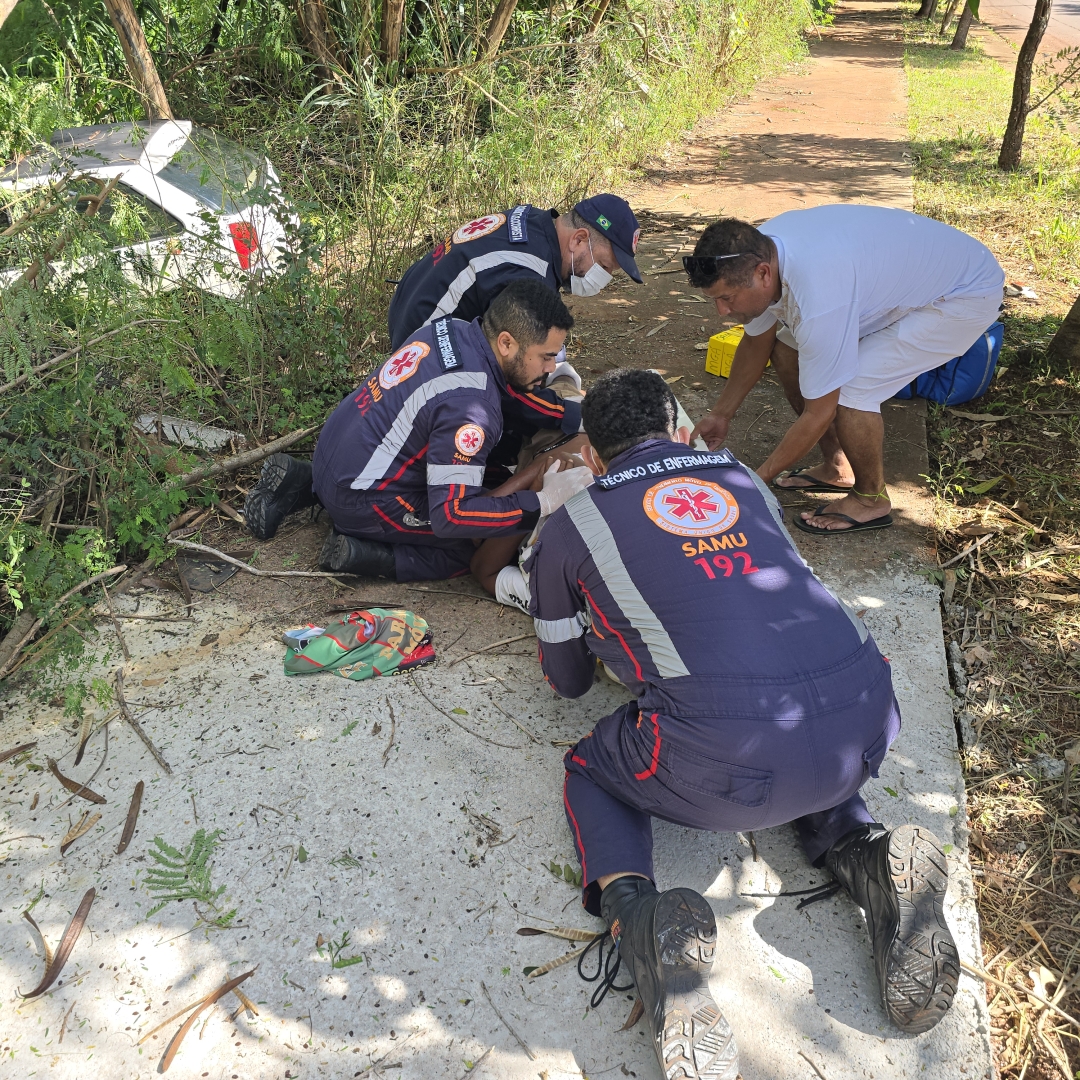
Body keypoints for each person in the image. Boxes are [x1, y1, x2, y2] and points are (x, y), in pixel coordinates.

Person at [528, 369, 959, 1080]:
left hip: (723, 758)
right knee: (788, 715)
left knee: (594, 767)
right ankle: (867, 852)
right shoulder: (742, 480)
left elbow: (567, 682)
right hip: (867, 716)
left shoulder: (573, 524)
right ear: (675, 428)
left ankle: (637, 917)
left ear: (594, 459)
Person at [685, 205, 1004, 535]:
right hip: (900, 276)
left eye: (727, 298)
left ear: (764, 274)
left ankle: (870, 499)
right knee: (785, 349)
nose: (722, 311)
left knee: (853, 389)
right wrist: (721, 414)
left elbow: (818, 412)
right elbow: (757, 343)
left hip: (962, 294)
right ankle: (838, 466)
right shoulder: (756, 251)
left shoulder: (818, 295)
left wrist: (756, 479)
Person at [243, 280, 591, 581]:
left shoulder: (452, 329)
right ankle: (366, 553)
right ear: (505, 343)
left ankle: (307, 483)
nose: (550, 367)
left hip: (333, 453)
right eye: (546, 356)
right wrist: (542, 502)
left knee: (489, 484)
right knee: (472, 545)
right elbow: (451, 516)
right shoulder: (472, 408)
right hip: (359, 496)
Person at [388, 195, 644, 475]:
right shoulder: (526, 273)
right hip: (427, 369)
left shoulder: (533, 223)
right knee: (513, 434)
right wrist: (577, 415)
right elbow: (508, 381)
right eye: (604, 267)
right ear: (579, 239)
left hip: (416, 329)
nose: (602, 279)